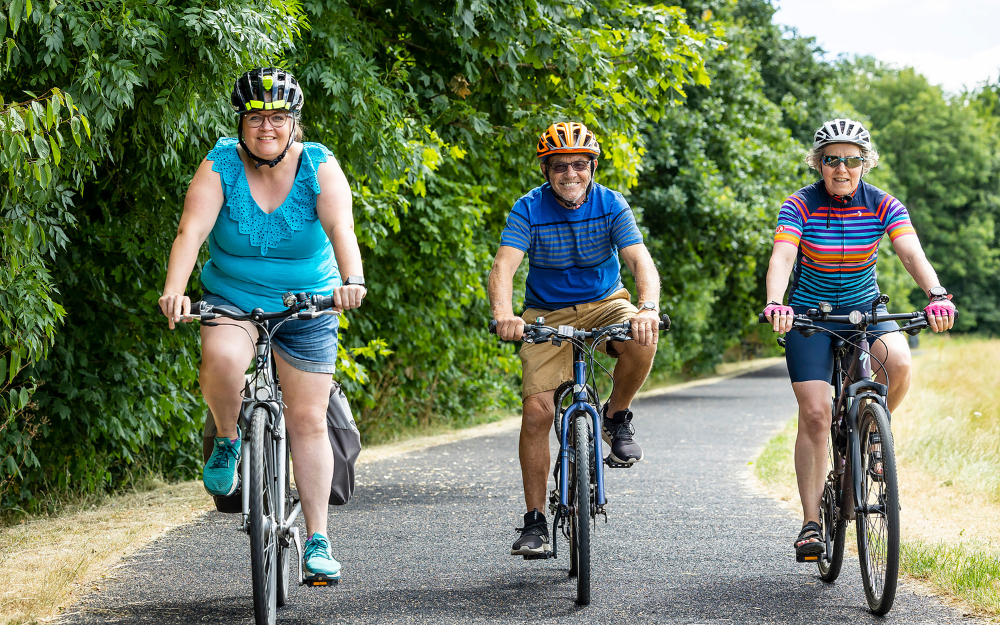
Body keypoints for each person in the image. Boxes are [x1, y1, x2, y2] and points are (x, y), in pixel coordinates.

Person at [158, 67, 367, 583]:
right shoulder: (220, 164)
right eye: (255, 117)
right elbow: (191, 230)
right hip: (234, 297)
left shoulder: (318, 164)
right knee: (223, 360)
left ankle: (317, 539)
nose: (266, 126)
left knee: (308, 420)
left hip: (310, 302)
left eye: (278, 117)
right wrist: (175, 289)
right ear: (241, 121)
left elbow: (342, 225)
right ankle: (229, 439)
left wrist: (352, 280)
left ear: (295, 122)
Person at [762, 118, 957, 559]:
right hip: (810, 317)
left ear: (865, 163)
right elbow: (784, 255)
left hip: (865, 312)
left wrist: (937, 295)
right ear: (819, 164)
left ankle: (871, 430)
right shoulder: (799, 204)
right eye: (832, 160)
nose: (842, 168)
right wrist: (777, 302)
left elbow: (910, 252)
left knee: (900, 363)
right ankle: (812, 523)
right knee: (815, 413)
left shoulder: (884, 203)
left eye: (851, 160)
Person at [488, 122, 662, 557]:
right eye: (560, 165)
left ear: (592, 167)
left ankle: (615, 416)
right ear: (547, 170)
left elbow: (640, 260)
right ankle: (534, 523)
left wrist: (648, 308)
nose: (571, 173)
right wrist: (504, 315)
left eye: (579, 165)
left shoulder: (611, 203)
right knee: (537, 411)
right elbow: (504, 266)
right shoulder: (528, 207)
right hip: (545, 315)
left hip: (607, 303)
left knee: (644, 336)